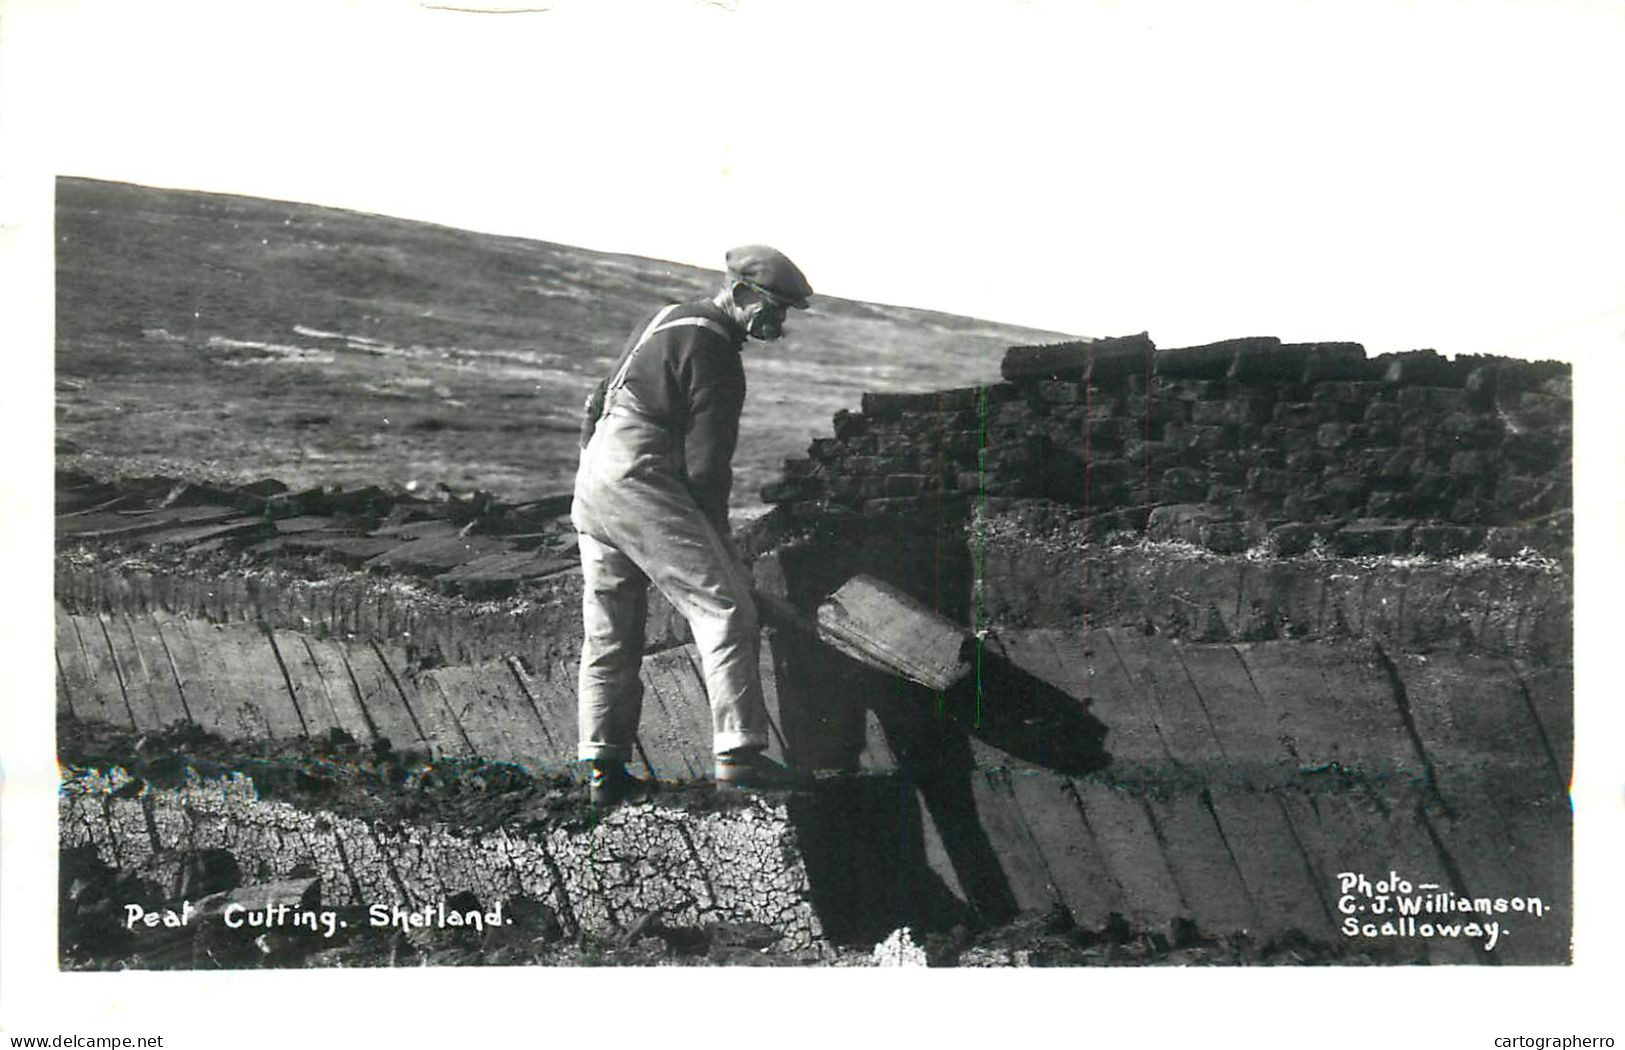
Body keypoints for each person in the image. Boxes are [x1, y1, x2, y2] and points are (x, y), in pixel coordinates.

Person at [571, 245, 813, 805]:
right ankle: (739, 757)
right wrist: (722, 544)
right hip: (640, 478)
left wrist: (595, 476)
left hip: (595, 479)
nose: (775, 325)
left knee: (610, 628)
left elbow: (594, 404)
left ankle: (602, 772)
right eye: (772, 310)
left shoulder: (664, 316)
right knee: (727, 609)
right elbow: (706, 467)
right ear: (743, 293)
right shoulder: (715, 349)